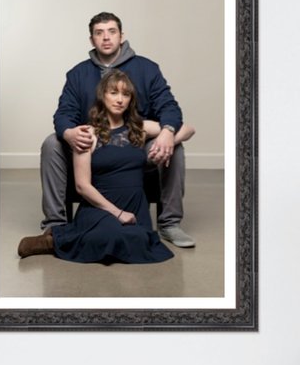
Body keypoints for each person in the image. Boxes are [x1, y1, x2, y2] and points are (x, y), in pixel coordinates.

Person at [38, 12, 196, 248]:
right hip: (92, 145)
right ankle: (55, 224)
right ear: (92, 39)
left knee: (173, 144)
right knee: (52, 142)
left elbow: (169, 108)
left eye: (112, 32)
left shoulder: (147, 69)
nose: (106, 38)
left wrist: (167, 134)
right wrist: (70, 133)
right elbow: (63, 114)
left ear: (121, 36)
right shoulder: (78, 74)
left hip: (135, 143)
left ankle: (169, 223)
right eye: (99, 33)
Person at [18, 70, 194, 263]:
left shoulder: (139, 128)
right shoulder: (87, 133)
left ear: (130, 100)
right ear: (103, 96)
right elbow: (82, 186)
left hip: (135, 205)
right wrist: (118, 213)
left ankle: (64, 238)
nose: (120, 99)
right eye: (114, 93)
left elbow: (188, 129)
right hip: (100, 206)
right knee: (109, 235)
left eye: (125, 94)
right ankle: (51, 243)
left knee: (140, 240)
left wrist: (167, 141)